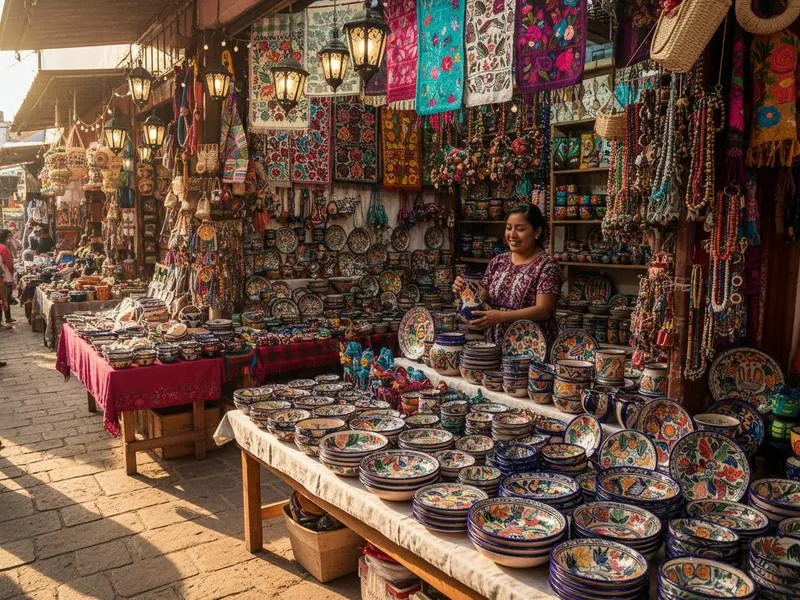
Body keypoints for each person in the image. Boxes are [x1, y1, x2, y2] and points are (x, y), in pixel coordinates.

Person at [452, 204, 562, 344]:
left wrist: (502, 316)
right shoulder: (498, 261)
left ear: (537, 232)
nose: (512, 235)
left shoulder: (547, 265)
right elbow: (482, 297)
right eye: (509, 228)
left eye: (520, 229)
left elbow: (543, 310)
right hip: (494, 346)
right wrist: (464, 290)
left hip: (530, 346)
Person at [0, 229, 14, 329]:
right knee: (5, 297)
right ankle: (7, 318)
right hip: (5, 275)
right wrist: (10, 271)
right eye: (8, 236)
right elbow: (8, 262)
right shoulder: (3, 248)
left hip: (3, 275)